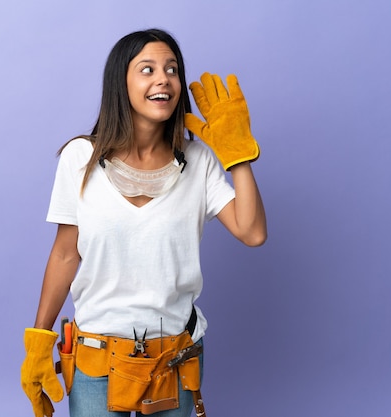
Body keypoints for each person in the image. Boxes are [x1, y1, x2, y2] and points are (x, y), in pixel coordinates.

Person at [21, 28, 267, 417]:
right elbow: (66, 254)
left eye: (172, 69)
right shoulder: (80, 158)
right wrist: (39, 341)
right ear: (121, 82)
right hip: (95, 357)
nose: (163, 79)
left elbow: (252, 232)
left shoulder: (198, 159)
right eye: (147, 69)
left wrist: (238, 158)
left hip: (174, 356)